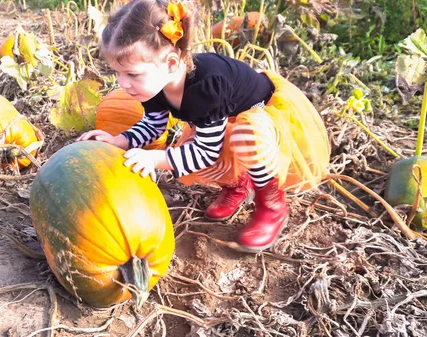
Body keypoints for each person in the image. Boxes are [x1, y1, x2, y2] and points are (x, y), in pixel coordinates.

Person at [76, 0, 330, 252]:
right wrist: (118, 140)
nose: (123, 84)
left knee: (242, 137)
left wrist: (154, 159)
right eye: (117, 73)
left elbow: (206, 151)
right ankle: (238, 184)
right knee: (189, 150)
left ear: (172, 64)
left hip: (264, 111)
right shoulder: (153, 86)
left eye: (132, 74)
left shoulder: (206, 86)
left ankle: (271, 204)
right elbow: (153, 127)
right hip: (222, 118)